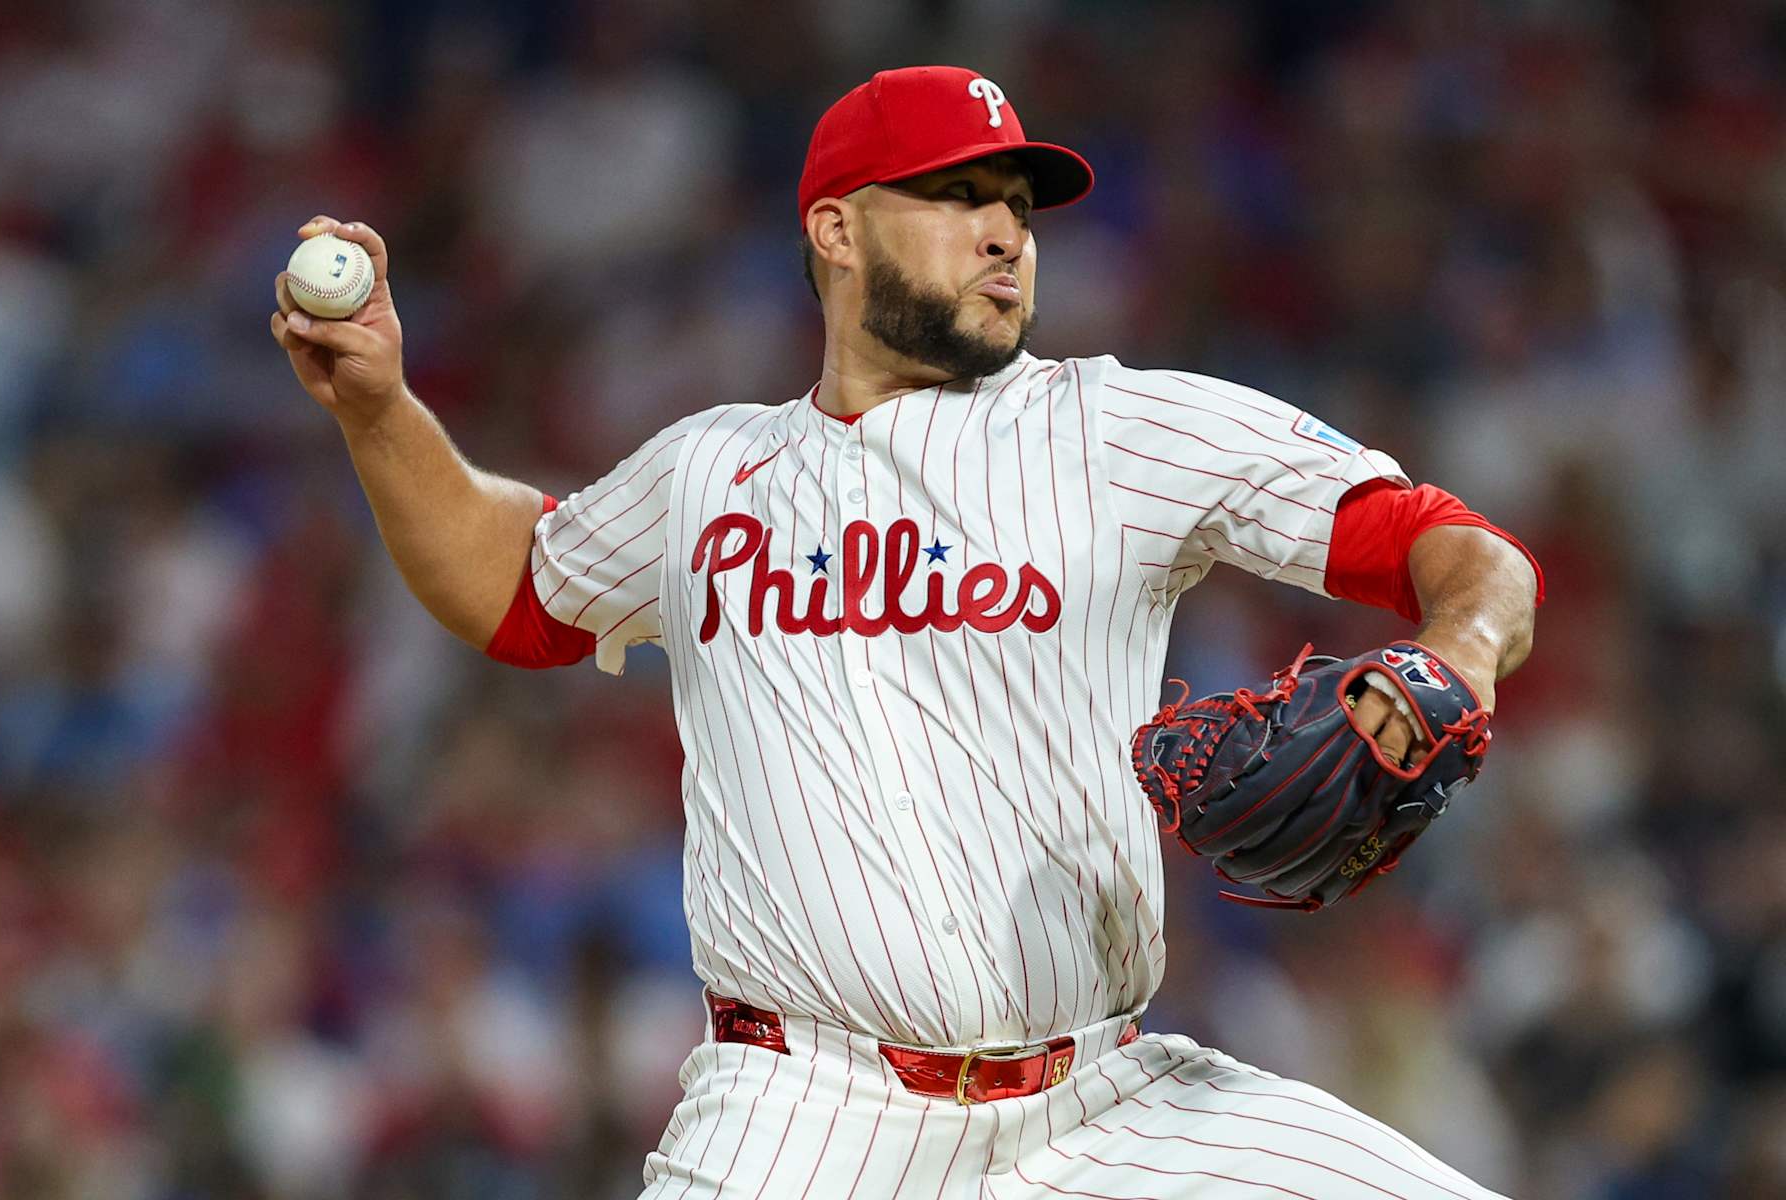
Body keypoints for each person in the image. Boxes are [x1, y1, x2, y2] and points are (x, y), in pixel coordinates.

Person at [272, 64, 1539, 1200]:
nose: (1003, 233)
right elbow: (518, 590)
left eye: (1019, 207)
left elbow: (1460, 551)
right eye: (956, 194)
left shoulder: (1120, 430)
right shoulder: (710, 468)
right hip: (800, 1116)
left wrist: (1460, 653)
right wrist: (381, 410)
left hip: (1106, 1104)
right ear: (835, 227)